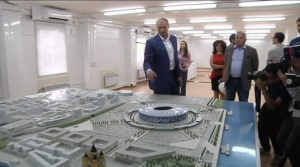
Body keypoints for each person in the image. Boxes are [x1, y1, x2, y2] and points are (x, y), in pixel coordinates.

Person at [255, 64, 290, 166]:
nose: (266, 80)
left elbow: (273, 106)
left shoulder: (285, 87)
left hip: (281, 106)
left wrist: (264, 90)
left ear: (277, 78)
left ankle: (279, 153)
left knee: (273, 129)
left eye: (269, 78)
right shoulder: (269, 74)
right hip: (270, 101)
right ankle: (265, 147)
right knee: (261, 124)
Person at [143, 18, 182, 95]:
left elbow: (175, 58)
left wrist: (179, 75)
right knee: (162, 104)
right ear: (156, 28)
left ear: (168, 26)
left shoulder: (173, 39)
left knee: (176, 102)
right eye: (159, 28)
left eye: (164, 27)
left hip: (174, 78)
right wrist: (149, 70)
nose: (162, 30)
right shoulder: (151, 42)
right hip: (160, 79)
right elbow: (147, 60)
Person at [222, 31, 259, 102]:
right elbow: (226, 64)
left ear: (245, 40)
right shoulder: (228, 50)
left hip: (243, 81)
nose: (238, 39)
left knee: (243, 101)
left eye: (241, 38)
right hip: (230, 80)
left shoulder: (252, 51)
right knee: (229, 101)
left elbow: (255, 66)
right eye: (237, 37)